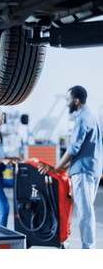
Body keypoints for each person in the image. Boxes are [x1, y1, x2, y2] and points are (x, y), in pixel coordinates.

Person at [38, 85, 102, 249]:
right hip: (92, 168)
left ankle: (88, 249)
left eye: (67, 100)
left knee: (85, 212)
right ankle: (85, 245)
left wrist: (56, 167)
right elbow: (84, 148)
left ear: (76, 101)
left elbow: (74, 148)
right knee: (86, 209)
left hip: (83, 171)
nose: (66, 104)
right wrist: (64, 169)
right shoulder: (92, 116)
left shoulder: (81, 118)